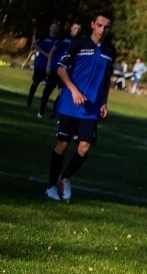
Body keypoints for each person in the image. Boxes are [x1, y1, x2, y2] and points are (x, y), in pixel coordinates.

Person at [44, 9, 116, 203]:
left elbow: (107, 79)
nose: (102, 30)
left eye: (106, 27)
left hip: (92, 108)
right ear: (92, 24)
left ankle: (64, 178)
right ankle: (50, 186)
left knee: (84, 148)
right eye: (99, 25)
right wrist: (74, 91)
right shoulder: (79, 43)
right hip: (69, 104)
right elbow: (61, 69)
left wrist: (104, 103)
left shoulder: (110, 51)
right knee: (63, 144)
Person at [39, 22, 82, 119]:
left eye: (79, 29)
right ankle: (41, 109)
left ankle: (54, 112)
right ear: (71, 27)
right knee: (48, 89)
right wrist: (48, 66)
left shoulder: (78, 42)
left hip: (66, 71)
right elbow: (52, 52)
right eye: (75, 28)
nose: (77, 30)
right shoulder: (63, 37)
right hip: (55, 68)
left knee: (61, 92)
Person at [27, 22, 60, 108]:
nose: (54, 29)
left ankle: (43, 103)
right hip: (41, 64)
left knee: (48, 85)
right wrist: (44, 53)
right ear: (50, 28)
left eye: (56, 28)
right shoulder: (44, 37)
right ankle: (29, 100)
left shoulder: (58, 40)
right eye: (53, 27)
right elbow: (35, 45)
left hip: (50, 66)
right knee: (36, 82)